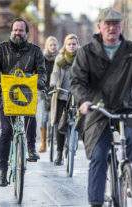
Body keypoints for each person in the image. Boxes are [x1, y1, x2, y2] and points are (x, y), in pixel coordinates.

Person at [70, 8, 132, 207]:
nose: (112, 28)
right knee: (99, 154)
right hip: (97, 110)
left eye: (116, 24)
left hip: (126, 108)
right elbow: (77, 81)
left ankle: (131, 176)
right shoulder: (86, 52)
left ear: (121, 26)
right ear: (99, 26)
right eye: (108, 24)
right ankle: (95, 202)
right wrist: (84, 101)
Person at [0, 18, 46, 187]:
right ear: (11, 31)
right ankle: (3, 170)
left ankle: (31, 149)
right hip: (6, 94)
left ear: (26, 33)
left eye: (21, 30)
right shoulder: (1, 48)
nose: (17, 33)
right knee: (6, 131)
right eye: (15, 30)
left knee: (30, 115)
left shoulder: (35, 50)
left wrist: (40, 82)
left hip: (26, 94)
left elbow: (42, 71)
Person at [50, 34, 79, 165]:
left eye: (74, 44)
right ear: (65, 45)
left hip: (78, 94)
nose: (72, 46)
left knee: (82, 120)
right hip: (63, 94)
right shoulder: (60, 58)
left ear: (77, 45)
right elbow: (55, 73)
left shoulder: (82, 58)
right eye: (69, 44)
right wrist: (52, 84)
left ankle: (75, 140)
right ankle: (60, 153)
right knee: (60, 124)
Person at [38, 36, 59, 153]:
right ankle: (43, 144)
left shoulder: (61, 58)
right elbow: (39, 73)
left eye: (54, 45)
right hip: (44, 89)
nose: (53, 47)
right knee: (44, 116)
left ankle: (59, 140)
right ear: (47, 46)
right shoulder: (42, 58)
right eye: (50, 45)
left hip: (57, 89)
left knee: (57, 116)